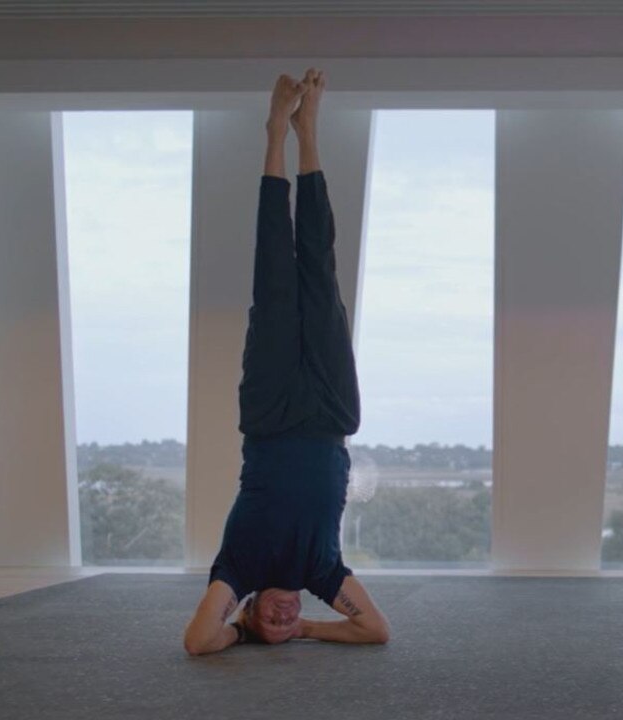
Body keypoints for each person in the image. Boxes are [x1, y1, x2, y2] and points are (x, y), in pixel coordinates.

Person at [183, 69, 390, 656]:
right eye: (286, 621)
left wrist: (244, 629)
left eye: (270, 620)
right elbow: (375, 630)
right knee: (320, 276)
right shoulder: (321, 574)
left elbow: (198, 640)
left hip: (270, 413)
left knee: (275, 276)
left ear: (246, 612)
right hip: (330, 413)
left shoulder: (239, 567)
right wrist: (306, 630)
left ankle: (277, 135)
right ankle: (311, 133)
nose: (283, 615)